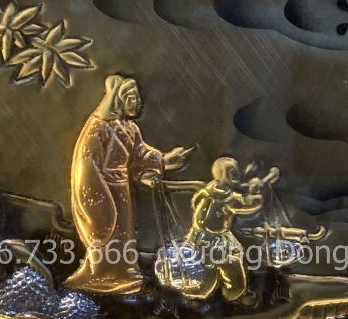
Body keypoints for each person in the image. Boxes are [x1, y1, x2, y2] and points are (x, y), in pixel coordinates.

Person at [65, 74, 188, 295]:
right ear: (119, 100)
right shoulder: (98, 128)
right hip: (104, 190)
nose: (137, 103)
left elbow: (139, 154)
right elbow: (87, 165)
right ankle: (99, 276)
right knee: (107, 233)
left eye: (137, 98)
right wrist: (98, 202)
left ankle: (124, 274)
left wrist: (163, 160)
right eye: (131, 98)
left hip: (123, 191)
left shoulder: (130, 128)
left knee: (125, 234)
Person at [183, 157, 273, 303]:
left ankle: (198, 293)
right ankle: (233, 293)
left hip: (198, 237)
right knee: (230, 265)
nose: (237, 175)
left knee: (206, 269)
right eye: (234, 173)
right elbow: (248, 203)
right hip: (218, 240)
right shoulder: (228, 198)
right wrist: (257, 193)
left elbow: (195, 203)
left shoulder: (206, 191)